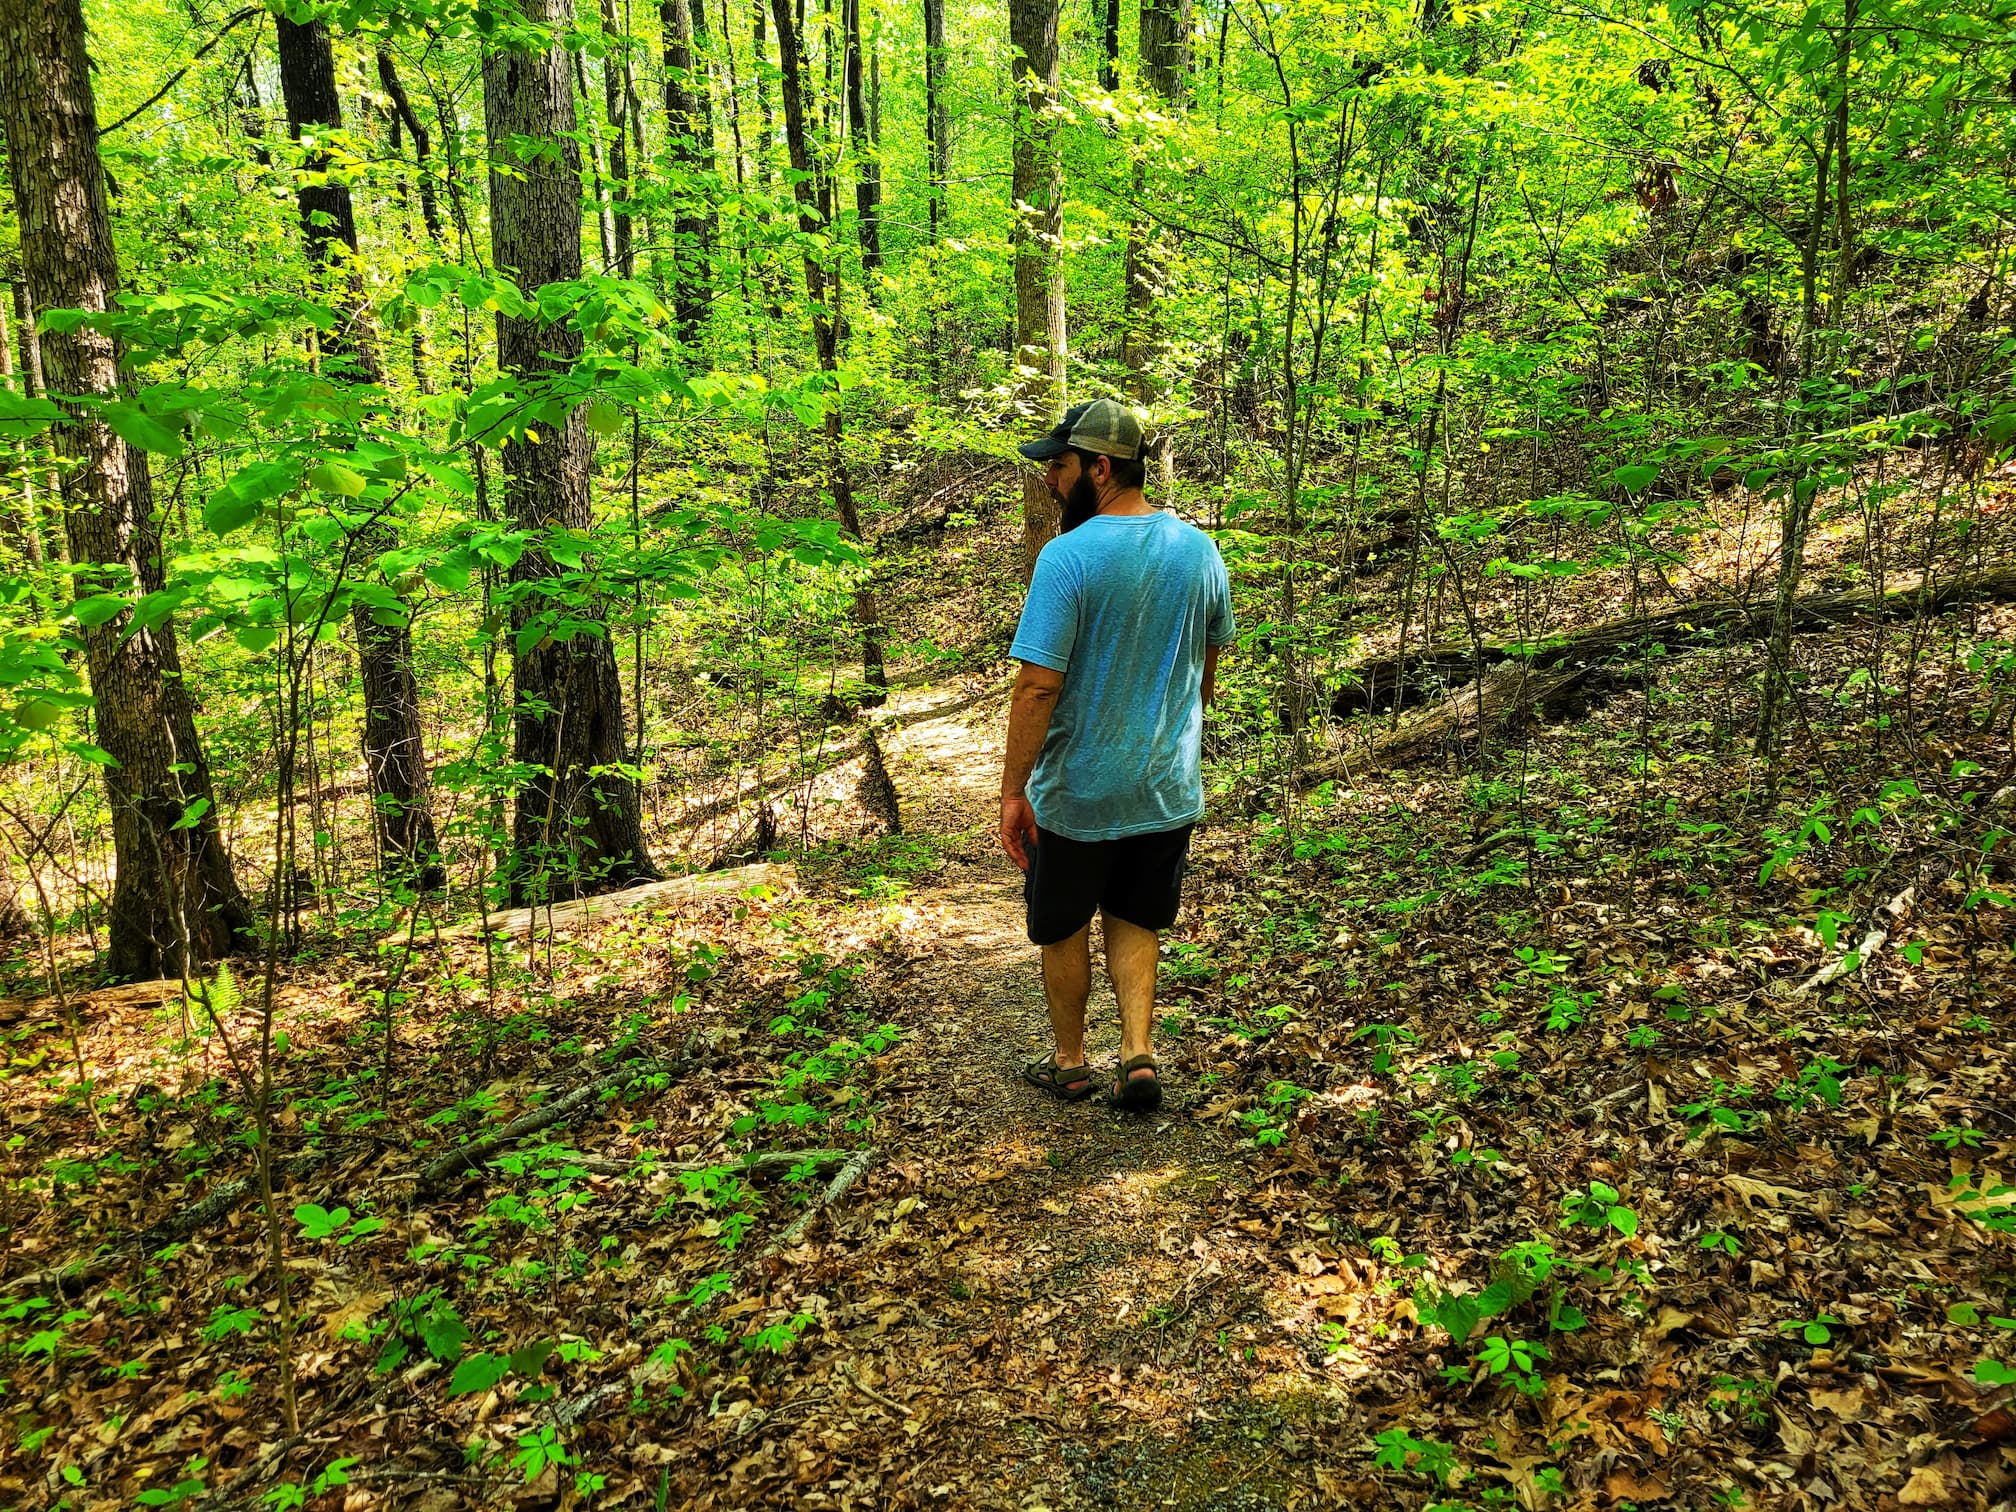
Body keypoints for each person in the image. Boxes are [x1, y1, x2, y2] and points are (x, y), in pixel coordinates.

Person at [999, 398, 1236, 1112]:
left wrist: (1014, 793)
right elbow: (1209, 658)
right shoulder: (1197, 549)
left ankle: (1071, 1062)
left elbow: (1038, 685)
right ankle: (1138, 1053)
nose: (1050, 481)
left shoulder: (1067, 557)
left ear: (1099, 469)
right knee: (1136, 915)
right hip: (1164, 784)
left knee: (1064, 921)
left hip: (1078, 789)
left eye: (1061, 466)